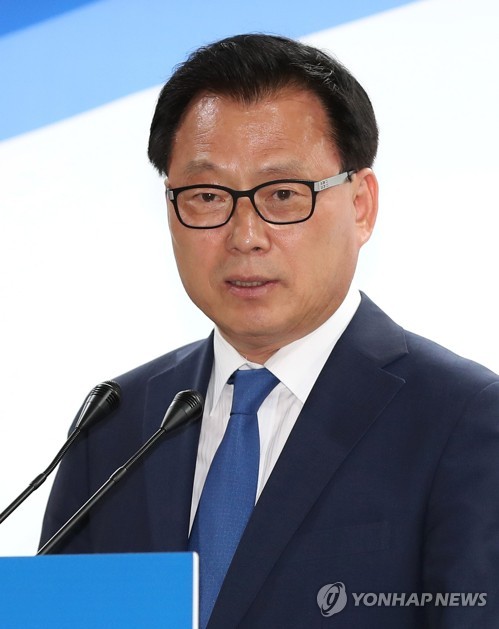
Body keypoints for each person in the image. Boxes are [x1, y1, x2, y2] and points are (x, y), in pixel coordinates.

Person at [40, 34, 499, 628]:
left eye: (283, 194)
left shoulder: (463, 421)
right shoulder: (115, 423)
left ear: (361, 205)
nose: (246, 236)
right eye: (208, 196)